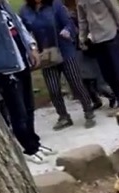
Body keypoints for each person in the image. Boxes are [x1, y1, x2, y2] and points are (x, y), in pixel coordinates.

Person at [0, 0, 56, 164]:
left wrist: (32, 47)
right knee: (17, 111)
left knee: (29, 106)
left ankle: (34, 141)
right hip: (4, 68)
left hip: (20, 60)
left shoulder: (3, 5)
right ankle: (28, 148)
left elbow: (18, 26)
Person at [20, 0, 97, 130]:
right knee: (53, 89)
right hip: (46, 55)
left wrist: (67, 30)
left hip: (64, 49)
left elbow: (69, 24)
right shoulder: (25, 12)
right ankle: (63, 116)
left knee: (76, 83)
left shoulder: (55, 5)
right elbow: (25, 33)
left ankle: (88, 111)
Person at [77, 0, 119, 116]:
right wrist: (82, 37)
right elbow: (82, 21)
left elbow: (116, 11)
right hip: (96, 41)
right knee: (108, 74)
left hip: (112, 36)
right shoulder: (80, 1)